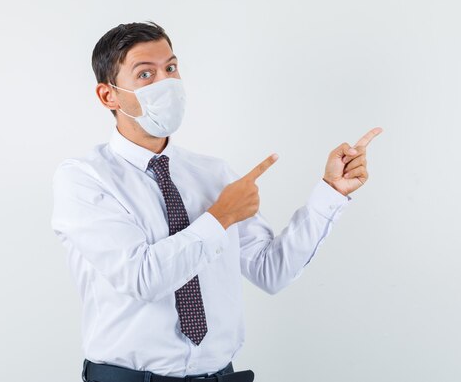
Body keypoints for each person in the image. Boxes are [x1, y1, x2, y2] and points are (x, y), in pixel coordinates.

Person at [51, 21, 382, 382]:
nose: (166, 83)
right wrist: (220, 216)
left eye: (171, 69)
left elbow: (272, 271)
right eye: (146, 74)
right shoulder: (84, 178)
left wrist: (330, 192)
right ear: (108, 96)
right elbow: (142, 277)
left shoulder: (213, 174)